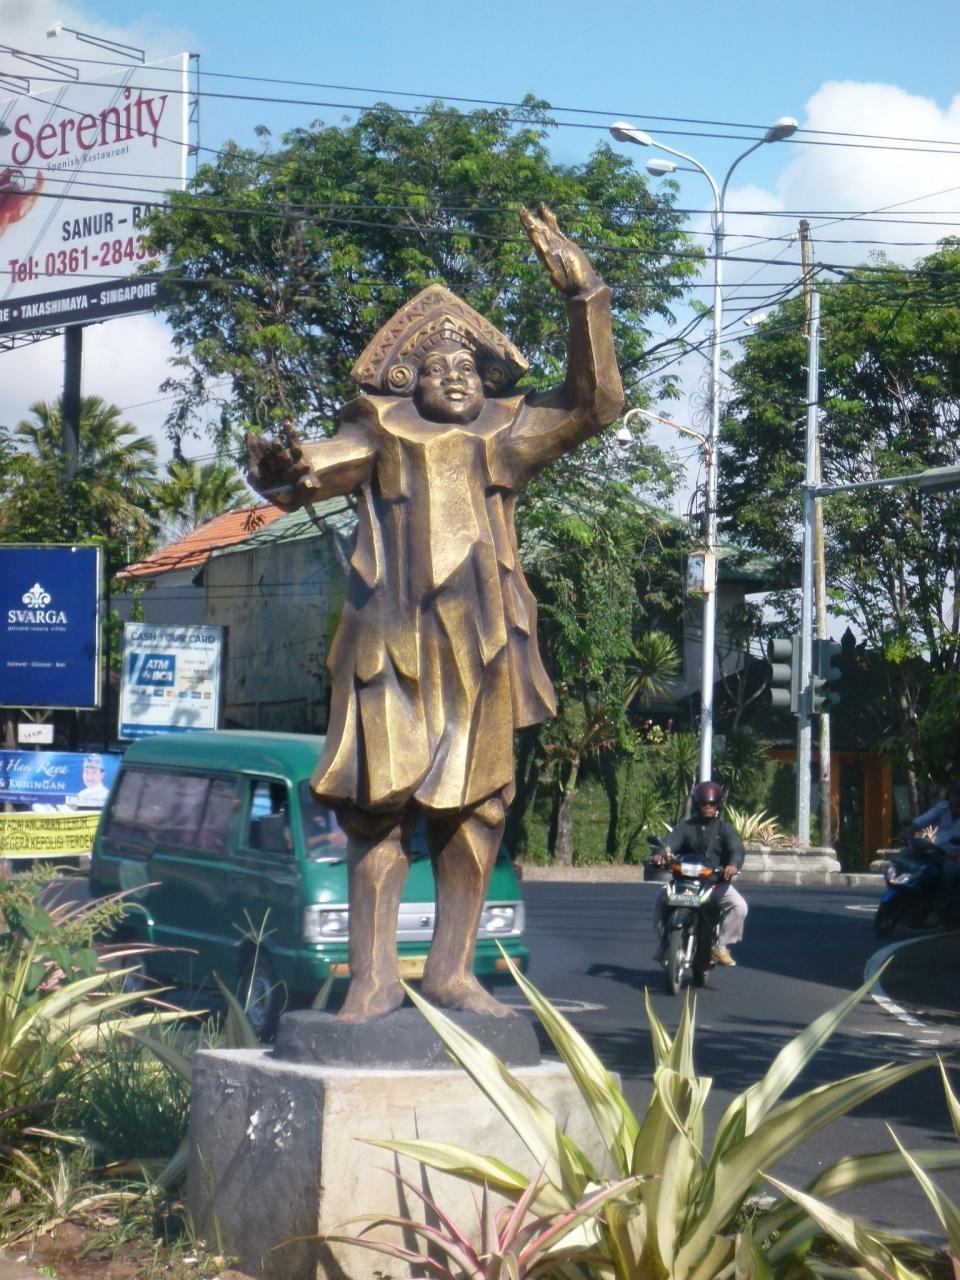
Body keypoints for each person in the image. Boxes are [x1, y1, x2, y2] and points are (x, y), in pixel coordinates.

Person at [247, 204, 624, 1022]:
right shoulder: (378, 430)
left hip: (482, 644)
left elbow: (596, 403)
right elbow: (313, 469)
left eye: (467, 367)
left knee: (476, 808)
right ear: (405, 384)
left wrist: (584, 296)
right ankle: (373, 978)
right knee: (379, 809)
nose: (454, 376)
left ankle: (452, 970)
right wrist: (284, 467)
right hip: (389, 643)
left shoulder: (508, 433)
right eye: (434, 368)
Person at [650, 780, 747, 967]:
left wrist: (733, 865)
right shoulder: (685, 827)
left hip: (715, 884)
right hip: (684, 883)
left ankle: (721, 947)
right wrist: (661, 854)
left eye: (712, 803)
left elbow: (736, 848)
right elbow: (670, 842)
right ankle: (664, 942)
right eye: (704, 803)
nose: (708, 807)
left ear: (718, 805)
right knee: (661, 898)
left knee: (740, 906)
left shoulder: (725, 829)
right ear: (697, 805)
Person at [898, 782, 960, 903]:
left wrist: (956, 854)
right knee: (918, 864)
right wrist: (905, 833)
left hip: (956, 857)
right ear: (949, 796)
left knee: (949, 870)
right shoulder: (943, 808)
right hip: (939, 852)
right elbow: (921, 821)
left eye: (959, 796)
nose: (956, 799)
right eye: (954, 795)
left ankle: (940, 904)